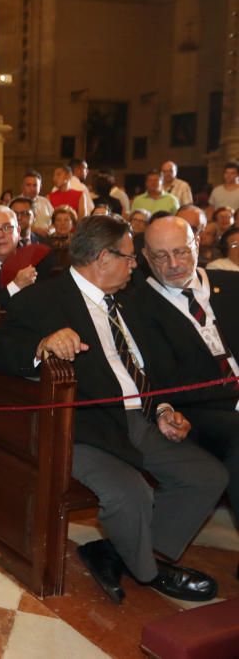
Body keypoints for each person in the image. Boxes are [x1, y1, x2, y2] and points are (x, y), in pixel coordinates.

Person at [0, 215, 226, 605]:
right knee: (130, 494)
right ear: (102, 257)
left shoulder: (132, 298)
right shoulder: (44, 299)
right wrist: (43, 343)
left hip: (141, 417)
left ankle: (120, 552)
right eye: (130, 258)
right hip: (83, 426)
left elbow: (151, 365)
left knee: (206, 476)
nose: (136, 265)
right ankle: (149, 571)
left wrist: (163, 407)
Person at [135, 217, 239, 562]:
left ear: (198, 244)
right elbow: (167, 381)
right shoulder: (139, 305)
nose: (174, 264)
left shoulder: (230, 284)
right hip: (199, 409)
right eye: (161, 256)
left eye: (181, 251)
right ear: (146, 257)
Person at [21, 170, 53, 236]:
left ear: (40, 187)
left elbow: (55, 221)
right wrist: (35, 230)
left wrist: (51, 230)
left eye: (35, 185)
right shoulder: (16, 203)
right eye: (28, 185)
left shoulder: (45, 202)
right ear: (22, 186)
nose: (32, 188)